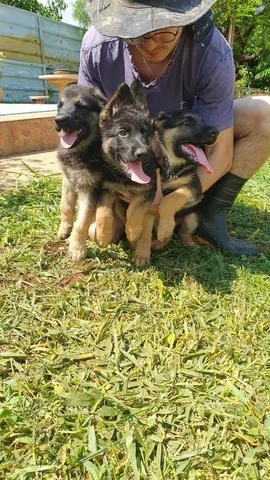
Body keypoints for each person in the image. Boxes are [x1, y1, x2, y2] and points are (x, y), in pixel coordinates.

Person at [78, 0, 270, 255]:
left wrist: (168, 204)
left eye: (164, 32)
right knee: (100, 234)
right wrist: (115, 194)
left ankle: (207, 215)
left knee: (267, 116)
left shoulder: (211, 52)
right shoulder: (97, 48)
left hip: (179, 150)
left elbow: (221, 151)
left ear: (185, 21)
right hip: (126, 159)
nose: (151, 44)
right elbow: (88, 137)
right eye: (137, 33)